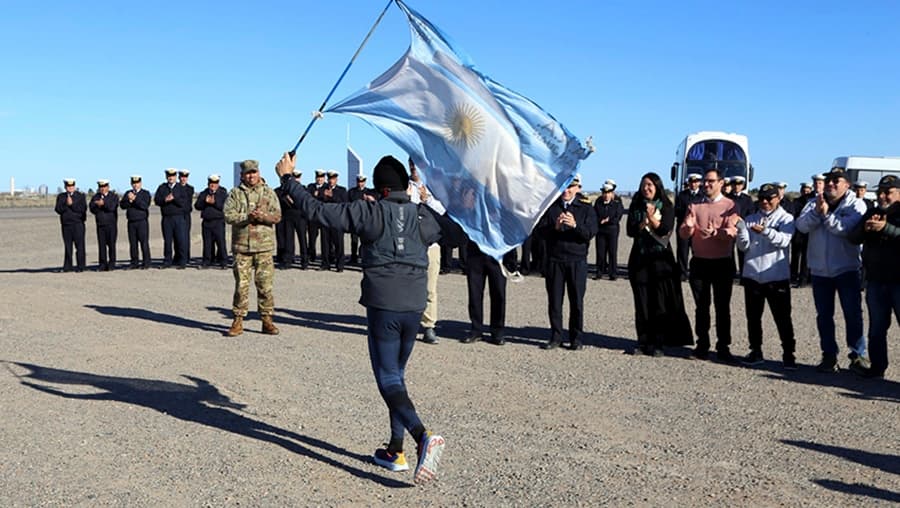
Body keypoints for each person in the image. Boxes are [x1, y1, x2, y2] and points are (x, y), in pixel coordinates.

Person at [275, 152, 450, 484]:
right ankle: (394, 450)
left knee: (388, 379)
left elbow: (318, 211)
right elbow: (449, 233)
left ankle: (422, 436)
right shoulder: (421, 215)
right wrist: (426, 204)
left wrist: (288, 181)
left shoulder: (369, 211)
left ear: (381, 190)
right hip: (414, 307)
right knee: (397, 375)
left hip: (384, 305)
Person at [795, 167, 868, 373]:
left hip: (847, 268)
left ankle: (857, 355)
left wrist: (826, 215)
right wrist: (818, 213)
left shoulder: (857, 205)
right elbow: (801, 226)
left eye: (837, 180)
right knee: (824, 316)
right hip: (819, 270)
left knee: (852, 314)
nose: (831, 184)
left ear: (847, 184)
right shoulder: (813, 203)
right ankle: (828, 355)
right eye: (829, 180)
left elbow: (846, 230)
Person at [625, 172, 693, 356]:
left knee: (659, 303)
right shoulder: (636, 204)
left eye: (650, 185)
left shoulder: (667, 205)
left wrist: (652, 219)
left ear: (657, 187)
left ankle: (658, 343)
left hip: (661, 260)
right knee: (642, 302)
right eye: (643, 185)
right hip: (640, 259)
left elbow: (665, 229)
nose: (646, 188)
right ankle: (643, 341)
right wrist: (641, 223)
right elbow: (630, 231)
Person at [678, 168, 740, 363]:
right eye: (705, 181)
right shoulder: (694, 205)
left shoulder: (730, 205)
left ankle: (723, 347)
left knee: (722, 307)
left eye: (711, 181)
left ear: (721, 183)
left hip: (722, 262)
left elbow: (732, 232)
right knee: (701, 307)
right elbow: (683, 233)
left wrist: (717, 233)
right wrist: (687, 228)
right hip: (700, 263)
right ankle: (702, 345)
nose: (706, 184)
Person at [735, 184, 796, 369]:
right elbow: (743, 246)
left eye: (769, 198)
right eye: (762, 198)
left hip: (776, 275)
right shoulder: (751, 218)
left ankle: (788, 354)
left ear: (778, 198)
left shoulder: (786, 218)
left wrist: (766, 232)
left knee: (783, 318)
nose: (765, 202)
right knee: (753, 317)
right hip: (754, 275)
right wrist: (741, 230)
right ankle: (755, 350)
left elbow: (784, 240)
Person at [536, 174, 598, 350]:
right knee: (555, 301)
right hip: (555, 260)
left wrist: (575, 226)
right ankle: (556, 336)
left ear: (578, 188)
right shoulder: (551, 207)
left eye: (571, 186)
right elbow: (540, 233)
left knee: (576, 301)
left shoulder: (586, 208)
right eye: (564, 186)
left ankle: (576, 338)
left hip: (576, 260)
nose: (567, 190)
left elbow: (590, 233)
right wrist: (554, 228)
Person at [848, 174, 900, 379]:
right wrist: (866, 228)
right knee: (877, 328)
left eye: (888, 192)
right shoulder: (873, 212)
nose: (882, 196)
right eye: (880, 192)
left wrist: (886, 228)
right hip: (877, 281)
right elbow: (852, 238)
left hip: (899, 281)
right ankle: (877, 367)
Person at [223, 160, 282, 336]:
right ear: (242, 175)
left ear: (259, 173)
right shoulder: (235, 193)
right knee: (241, 286)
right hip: (242, 248)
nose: (251, 176)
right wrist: (247, 217)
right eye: (248, 173)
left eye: (254, 172)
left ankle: (267, 320)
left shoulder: (268, 193)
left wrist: (262, 216)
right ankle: (238, 320)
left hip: (264, 247)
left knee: (265, 286)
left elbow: (277, 215)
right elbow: (228, 215)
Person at [408, 158, 448, 344]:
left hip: (430, 244)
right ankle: (408, 323)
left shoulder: (434, 187)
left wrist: (428, 200)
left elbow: (444, 211)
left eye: (417, 165)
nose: (414, 169)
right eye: (412, 165)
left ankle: (429, 326)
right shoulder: (403, 186)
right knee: (408, 286)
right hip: (410, 246)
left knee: (430, 288)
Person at [154, 168, 191, 269]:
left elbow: (184, 203)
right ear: (166, 177)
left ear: (176, 177)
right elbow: (157, 200)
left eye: (173, 176)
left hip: (178, 217)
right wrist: (165, 199)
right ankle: (167, 261)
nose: (171, 178)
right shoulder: (162, 188)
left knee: (180, 240)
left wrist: (174, 198)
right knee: (168, 240)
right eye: (169, 176)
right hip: (166, 218)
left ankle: (182, 261)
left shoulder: (181, 188)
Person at [276, 169, 310, 269]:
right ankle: (288, 261)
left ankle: (305, 261)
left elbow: (305, 202)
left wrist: (294, 201)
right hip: (288, 216)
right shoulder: (284, 190)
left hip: (300, 216)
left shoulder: (303, 189)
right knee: (288, 239)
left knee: (302, 239)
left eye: (297, 177)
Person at [194, 174, 229, 269]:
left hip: (218, 222)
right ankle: (207, 261)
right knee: (207, 243)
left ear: (218, 183)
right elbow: (197, 206)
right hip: (207, 222)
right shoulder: (204, 193)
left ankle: (223, 262)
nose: (213, 185)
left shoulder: (222, 193)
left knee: (221, 242)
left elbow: (225, 207)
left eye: (215, 183)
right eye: (211, 183)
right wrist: (205, 201)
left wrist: (215, 202)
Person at [592, 181, 625, 280]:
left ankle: (613, 273)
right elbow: (594, 215)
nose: (606, 195)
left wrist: (608, 220)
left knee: (612, 252)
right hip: (600, 230)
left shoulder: (616, 203)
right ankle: (599, 272)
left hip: (612, 230)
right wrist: (600, 220)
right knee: (600, 252)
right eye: (604, 193)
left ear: (612, 193)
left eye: (608, 193)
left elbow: (618, 216)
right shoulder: (598, 202)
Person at [54, 178, 87, 272]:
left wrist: (72, 204)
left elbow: (82, 209)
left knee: (80, 246)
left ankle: (81, 266)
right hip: (66, 225)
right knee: (68, 246)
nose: (70, 188)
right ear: (65, 187)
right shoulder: (61, 197)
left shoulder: (80, 196)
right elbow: (58, 209)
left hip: (77, 224)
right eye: (68, 186)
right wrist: (66, 204)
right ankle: (67, 266)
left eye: (72, 186)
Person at [674, 173, 703, 280]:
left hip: (698, 228)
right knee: (682, 251)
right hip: (684, 227)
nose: (693, 184)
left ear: (699, 183)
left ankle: (697, 273)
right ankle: (682, 273)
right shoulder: (682, 195)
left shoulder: (703, 196)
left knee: (698, 251)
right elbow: (676, 210)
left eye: (696, 182)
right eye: (691, 182)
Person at [120, 175, 152, 269]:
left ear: (140, 183)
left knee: (144, 243)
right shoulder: (128, 193)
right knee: (133, 244)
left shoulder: (145, 193)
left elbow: (145, 205)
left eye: (137, 183)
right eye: (134, 183)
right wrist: (129, 201)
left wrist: (135, 199)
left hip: (142, 221)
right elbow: (122, 205)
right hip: (131, 222)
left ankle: (146, 262)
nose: (135, 185)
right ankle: (134, 262)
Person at [89, 179, 119, 271]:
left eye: (104, 187)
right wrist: (97, 205)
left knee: (111, 245)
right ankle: (102, 264)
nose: (102, 189)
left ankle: (112, 264)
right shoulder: (96, 197)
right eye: (101, 187)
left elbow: (112, 207)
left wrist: (103, 204)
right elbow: (91, 208)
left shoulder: (113, 196)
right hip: (100, 225)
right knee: (101, 246)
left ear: (108, 187)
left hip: (111, 225)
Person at [348, 174, 377, 264]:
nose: (360, 184)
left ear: (365, 182)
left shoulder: (370, 192)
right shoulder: (352, 192)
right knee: (354, 240)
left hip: (366, 220)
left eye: (362, 182)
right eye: (359, 182)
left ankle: (364, 257)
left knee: (365, 240)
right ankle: (353, 257)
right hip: (355, 219)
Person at [791, 180, 815, 287]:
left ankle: (804, 278)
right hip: (798, 231)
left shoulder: (812, 201)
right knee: (795, 255)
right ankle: (793, 275)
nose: (806, 192)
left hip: (809, 232)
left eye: (808, 190)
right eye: (804, 190)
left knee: (806, 257)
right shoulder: (796, 202)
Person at [323, 170, 348, 272]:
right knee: (325, 242)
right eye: (329, 179)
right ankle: (326, 263)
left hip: (337, 220)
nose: (331, 181)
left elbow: (344, 203)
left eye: (333, 179)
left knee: (339, 243)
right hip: (325, 219)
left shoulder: (341, 190)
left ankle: (340, 265)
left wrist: (332, 196)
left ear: (336, 180)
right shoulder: (323, 189)